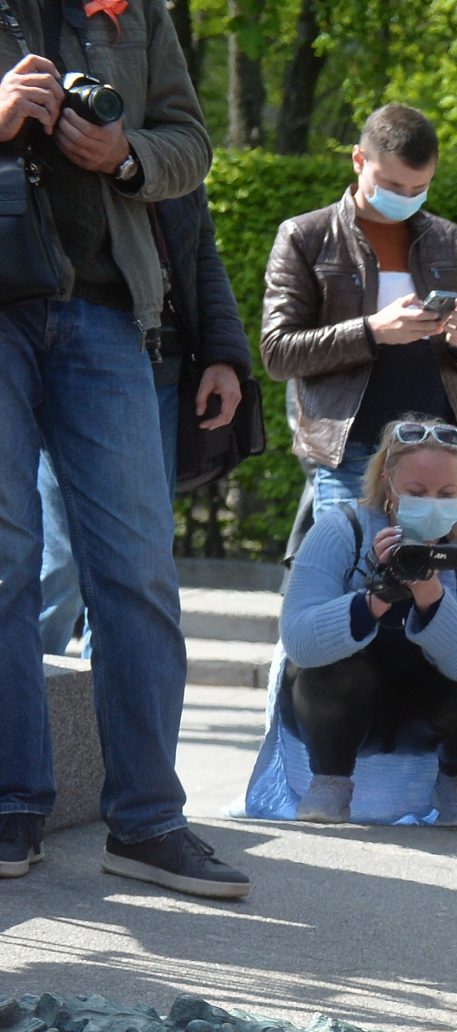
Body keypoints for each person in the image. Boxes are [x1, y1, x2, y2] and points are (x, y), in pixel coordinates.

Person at [0, 0, 251, 900]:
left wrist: (129, 154)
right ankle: (9, 806)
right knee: (6, 560)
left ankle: (146, 822)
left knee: (139, 570)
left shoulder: (136, 9)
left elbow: (190, 148)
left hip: (112, 316)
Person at [261, 416, 457, 830]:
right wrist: (376, 596)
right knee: (327, 669)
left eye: (446, 493)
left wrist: (429, 592)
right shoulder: (340, 529)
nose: (432, 503)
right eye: (416, 492)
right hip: (340, 702)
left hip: (430, 703)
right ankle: (330, 778)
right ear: (388, 483)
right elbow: (299, 641)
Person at [35, 182, 252, 654]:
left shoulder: (172, 149)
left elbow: (199, 255)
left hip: (160, 377)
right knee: (59, 567)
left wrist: (224, 357)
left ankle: (108, 722)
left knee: (138, 569)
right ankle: (30, 713)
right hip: (69, 371)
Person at [261, 105, 457, 526]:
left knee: (433, 586)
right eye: (391, 185)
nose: (405, 198)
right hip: (349, 452)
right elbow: (278, 353)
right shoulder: (306, 236)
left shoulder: (451, 242)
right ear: (358, 160)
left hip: (436, 458)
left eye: (419, 188)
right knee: (350, 576)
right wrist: (372, 332)